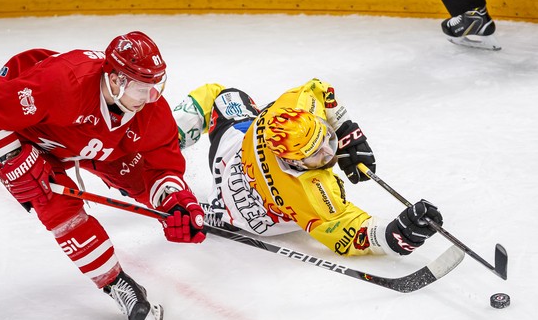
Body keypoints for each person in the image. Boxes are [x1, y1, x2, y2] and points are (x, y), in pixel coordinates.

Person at [0, 31, 206, 320]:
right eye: (142, 88)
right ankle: (116, 283)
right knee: (54, 204)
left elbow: (162, 167)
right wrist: (13, 159)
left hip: (85, 139)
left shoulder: (149, 112)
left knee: (136, 177)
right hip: (28, 134)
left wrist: (177, 201)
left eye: (155, 86)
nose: (151, 98)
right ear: (117, 80)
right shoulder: (61, 85)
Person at [174, 79, 443, 258]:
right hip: (248, 217)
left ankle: (161, 142)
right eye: (315, 155)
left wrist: (347, 133)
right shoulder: (306, 192)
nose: (328, 151)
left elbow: (319, 89)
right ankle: (162, 158)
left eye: (325, 137)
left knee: (219, 95)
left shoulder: (290, 106)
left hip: (229, 154)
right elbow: (353, 234)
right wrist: (397, 235)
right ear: (293, 163)